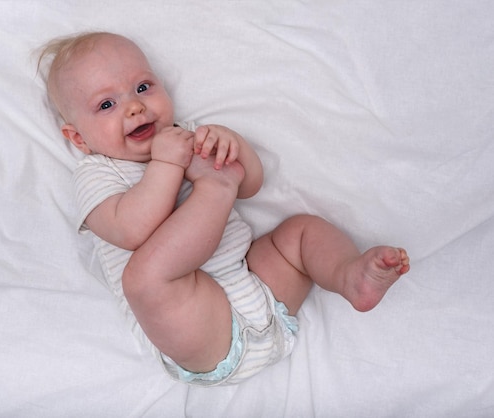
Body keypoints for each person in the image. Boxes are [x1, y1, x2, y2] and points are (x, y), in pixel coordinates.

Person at [38, 31, 410, 386]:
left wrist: (233, 147)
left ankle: (348, 275)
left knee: (300, 231)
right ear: (78, 138)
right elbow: (132, 230)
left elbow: (250, 185)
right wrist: (170, 167)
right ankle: (215, 190)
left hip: (259, 289)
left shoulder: (189, 136)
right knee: (144, 279)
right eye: (106, 104)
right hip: (200, 333)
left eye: (142, 87)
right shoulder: (98, 173)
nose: (135, 107)